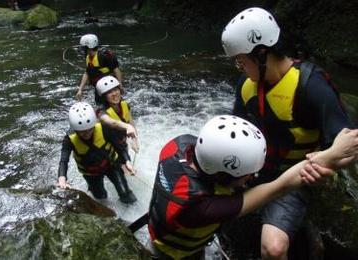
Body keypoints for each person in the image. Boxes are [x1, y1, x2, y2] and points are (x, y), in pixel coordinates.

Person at [221, 7, 354, 259]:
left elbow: (349, 141)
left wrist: (324, 159)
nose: (239, 67)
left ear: (262, 54)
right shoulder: (246, 86)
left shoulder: (310, 85)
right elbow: (233, 132)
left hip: (292, 175)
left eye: (241, 60)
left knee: (273, 248)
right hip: (251, 172)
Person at [147, 115, 358, 259]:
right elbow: (278, 187)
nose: (252, 177)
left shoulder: (179, 145)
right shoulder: (202, 207)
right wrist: (331, 155)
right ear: (222, 176)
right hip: (173, 254)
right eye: (248, 174)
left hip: (174, 232)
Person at [56, 102, 137, 204]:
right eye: (82, 131)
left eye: (90, 129)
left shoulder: (104, 128)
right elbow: (64, 160)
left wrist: (127, 161)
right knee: (100, 197)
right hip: (90, 173)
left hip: (112, 165)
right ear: (75, 129)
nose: (86, 134)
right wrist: (62, 178)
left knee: (125, 193)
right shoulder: (69, 139)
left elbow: (119, 147)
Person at [95, 75, 139, 156]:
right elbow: (112, 122)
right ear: (104, 97)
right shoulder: (101, 112)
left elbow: (131, 123)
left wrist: (134, 140)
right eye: (109, 92)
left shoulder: (124, 104)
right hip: (105, 149)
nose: (114, 94)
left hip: (121, 144)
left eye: (115, 89)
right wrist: (127, 127)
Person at [76, 34, 123, 105]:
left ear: (89, 47)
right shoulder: (88, 57)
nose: (82, 50)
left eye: (83, 48)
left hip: (110, 87)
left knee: (115, 105)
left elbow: (116, 70)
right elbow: (87, 73)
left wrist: (120, 85)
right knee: (100, 106)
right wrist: (80, 90)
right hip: (99, 88)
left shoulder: (104, 56)